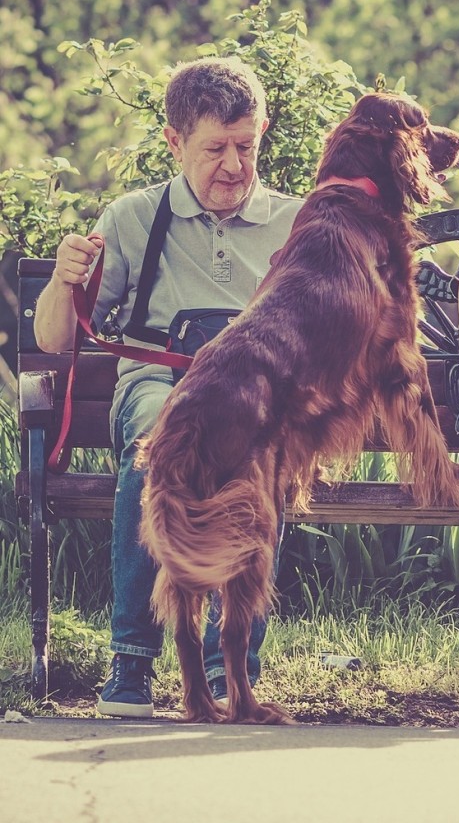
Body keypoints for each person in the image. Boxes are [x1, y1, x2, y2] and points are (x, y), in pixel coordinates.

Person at [33, 57, 304, 718]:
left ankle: (228, 667)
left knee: (259, 454)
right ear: (175, 143)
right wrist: (64, 279)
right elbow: (49, 337)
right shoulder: (132, 217)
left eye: (247, 145)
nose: (235, 167)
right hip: (161, 380)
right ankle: (131, 665)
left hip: (251, 394)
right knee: (158, 440)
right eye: (215, 149)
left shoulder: (292, 220)